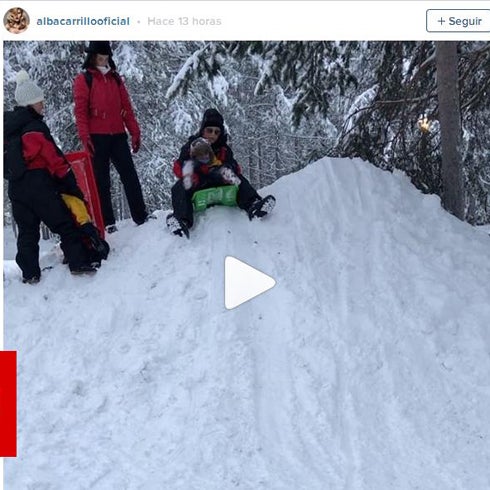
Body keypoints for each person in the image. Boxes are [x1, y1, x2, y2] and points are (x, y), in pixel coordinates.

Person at [4, 70, 98, 283]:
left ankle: (29, 274)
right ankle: (79, 263)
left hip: (16, 187)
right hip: (38, 184)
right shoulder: (35, 128)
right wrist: (70, 184)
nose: (43, 106)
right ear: (30, 104)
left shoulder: (7, 130)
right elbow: (54, 160)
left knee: (27, 231)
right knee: (64, 223)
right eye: (40, 102)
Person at [73, 41, 148, 233]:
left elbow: (127, 108)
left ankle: (140, 216)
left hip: (118, 134)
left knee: (129, 175)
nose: (103, 61)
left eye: (106, 58)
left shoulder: (115, 79)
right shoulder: (85, 79)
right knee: (102, 181)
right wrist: (85, 137)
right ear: (92, 57)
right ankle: (108, 223)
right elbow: (80, 112)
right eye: (100, 57)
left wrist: (134, 131)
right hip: (97, 136)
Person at [167, 108, 276, 237]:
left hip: (218, 179)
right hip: (199, 181)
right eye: (209, 130)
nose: (213, 135)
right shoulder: (192, 146)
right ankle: (182, 219)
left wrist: (226, 170)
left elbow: (235, 166)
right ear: (203, 130)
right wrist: (191, 175)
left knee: (236, 178)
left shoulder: (223, 149)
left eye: (216, 132)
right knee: (179, 187)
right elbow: (179, 166)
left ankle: (253, 204)